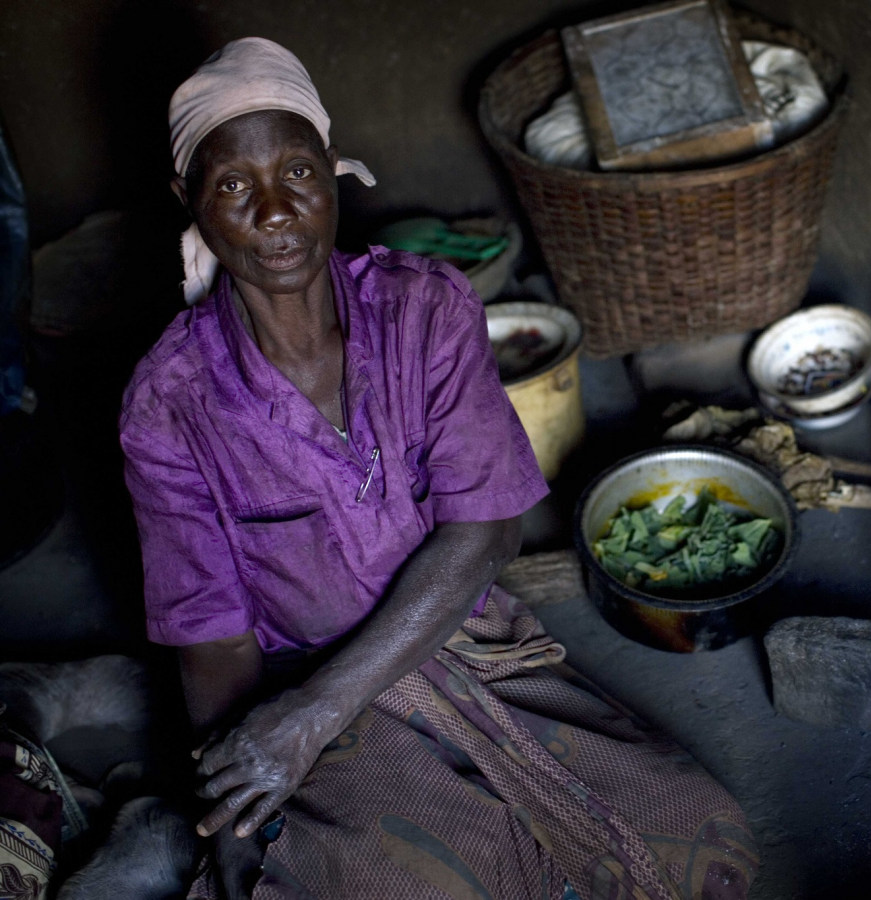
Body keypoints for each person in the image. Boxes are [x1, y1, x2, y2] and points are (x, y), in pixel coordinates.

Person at [120, 37, 757, 900]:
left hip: (464, 636)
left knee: (698, 838)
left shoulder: (422, 306)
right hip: (295, 680)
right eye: (234, 185)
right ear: (188, 200)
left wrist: (320, 712)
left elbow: (487, 530)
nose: (275, 211)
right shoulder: (170, 401)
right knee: (432, 878)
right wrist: (246, 810)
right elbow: (212, 636)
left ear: (332, 174)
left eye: (298, 174)